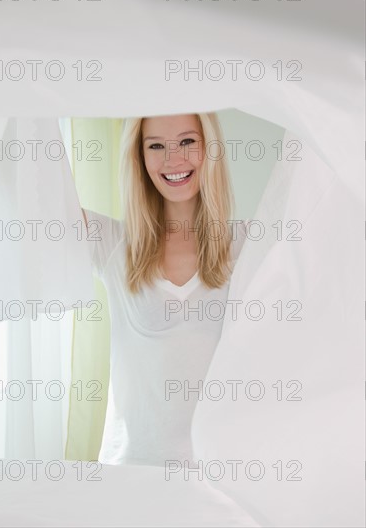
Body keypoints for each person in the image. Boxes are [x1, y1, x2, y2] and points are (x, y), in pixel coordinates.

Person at [82, 113, 247, 466]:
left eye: (187, 141)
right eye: (156, 145)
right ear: (139, 157)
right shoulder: (113, 243)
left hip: (218, 480)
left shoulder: (247, 244)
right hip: (128, 477)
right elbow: (29, 191)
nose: (173, 159)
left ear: (209, 146)